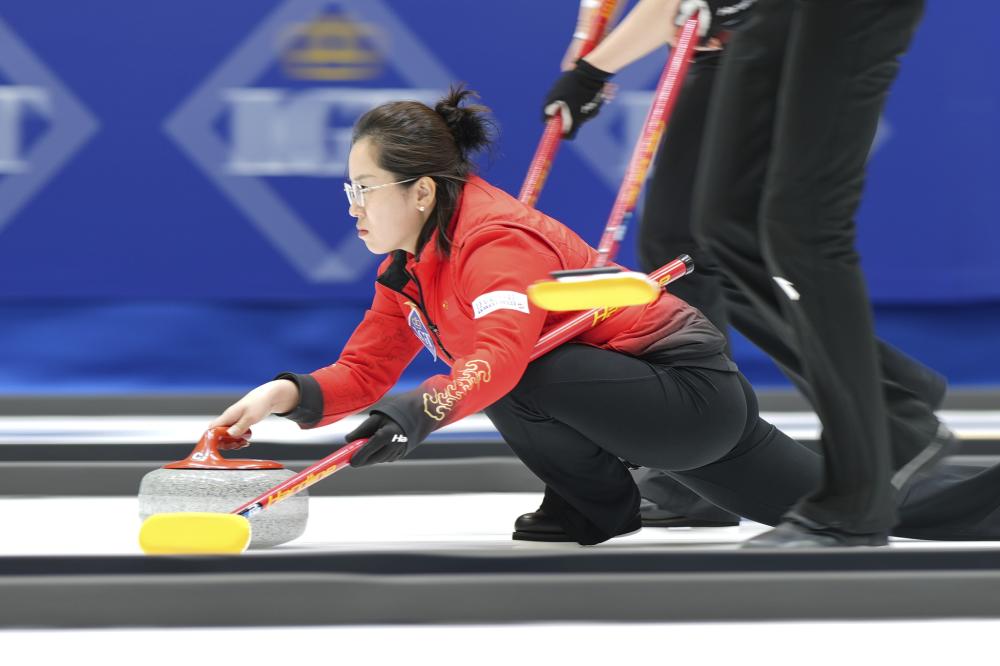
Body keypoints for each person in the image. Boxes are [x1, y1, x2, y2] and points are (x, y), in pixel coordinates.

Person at [210, 88, 999, 547]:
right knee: (880, 512)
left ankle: (594, 506)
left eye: (363, 189)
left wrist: (414, 414)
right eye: (348, 190)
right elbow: (366, 367)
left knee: (517, 372)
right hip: (663, 417)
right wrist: (287, 395)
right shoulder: (412, 265)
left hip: (686, 398)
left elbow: (501, 354)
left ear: (420, 191)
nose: (351, 206)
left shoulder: (493, 241)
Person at [543, 0, 953, 546]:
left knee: (795, 234)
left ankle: (860, 481)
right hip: (753, 19)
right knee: (720, 233)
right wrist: (590, 59)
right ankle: (891, 404)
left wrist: (593, 68)